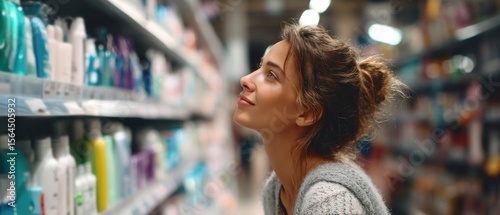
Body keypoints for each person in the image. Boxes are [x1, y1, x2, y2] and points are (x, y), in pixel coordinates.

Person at [233, 22, 405, 215]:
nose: (246, 79)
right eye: (259, 67)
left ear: (307, 113)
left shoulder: (330, 202)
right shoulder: (276, 191)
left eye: (271, 75)